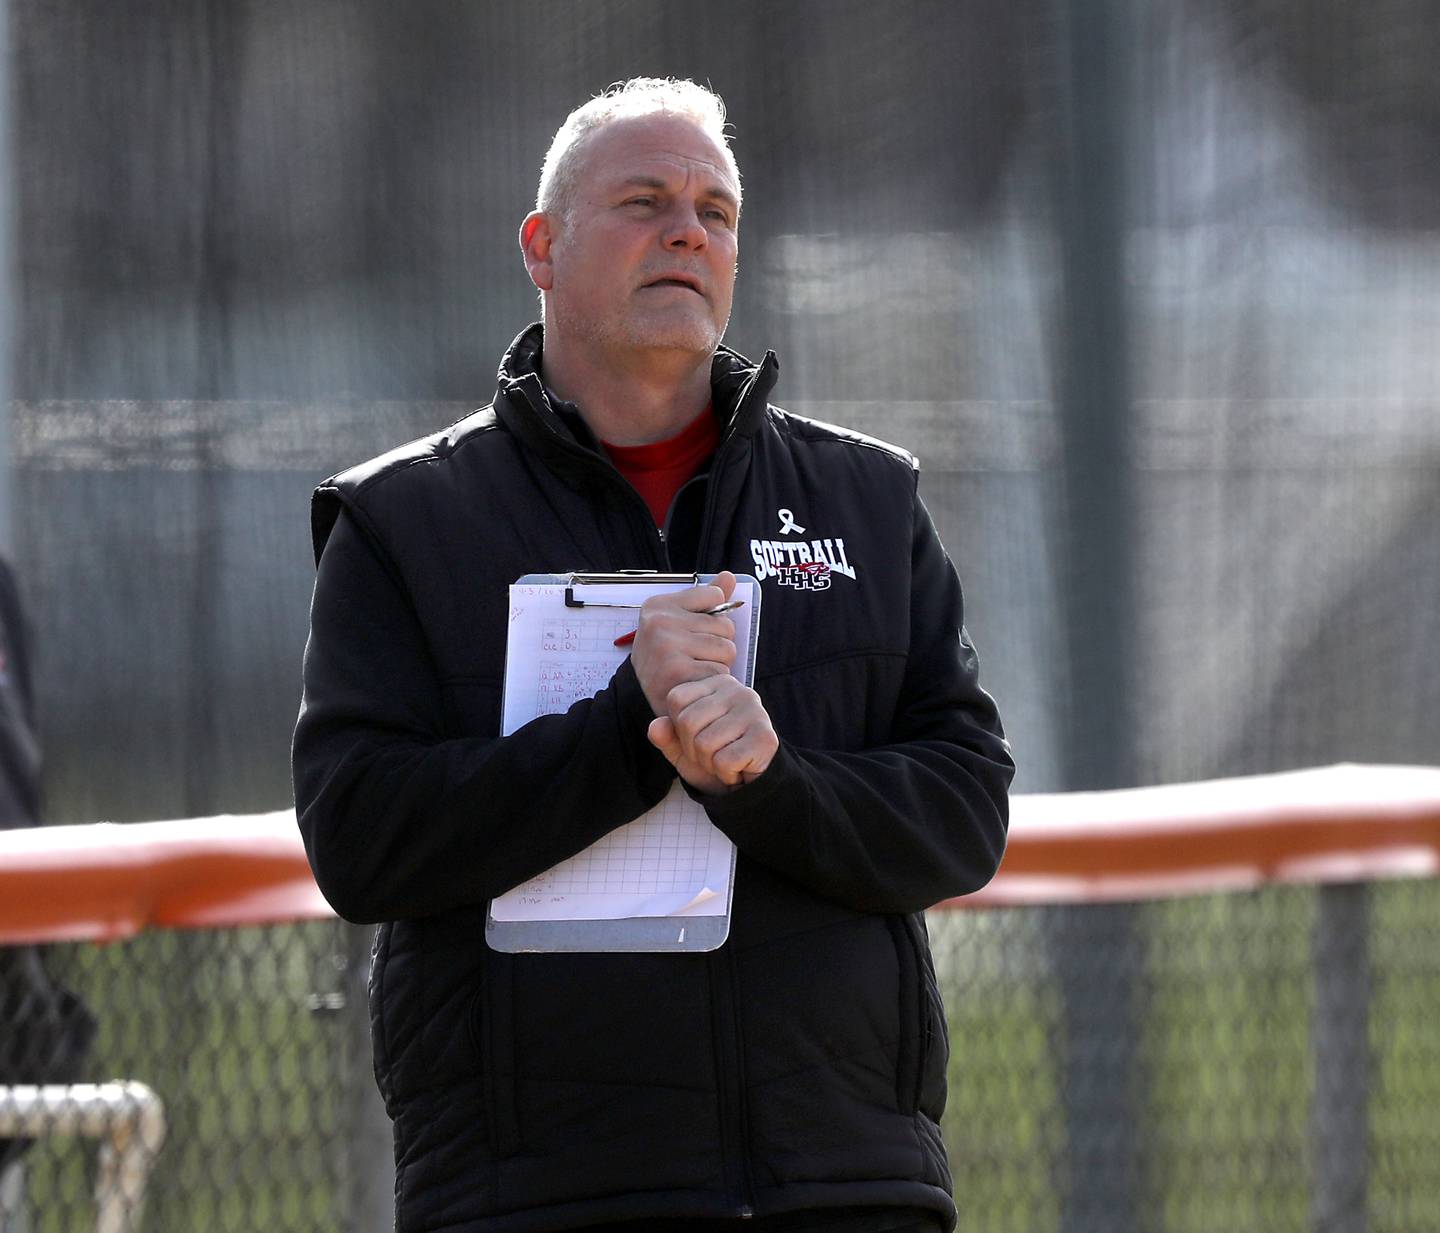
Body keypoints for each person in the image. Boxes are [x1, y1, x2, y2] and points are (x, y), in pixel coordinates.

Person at [293, 78, 1013, 1233]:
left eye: (715, 211)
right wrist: (626, 730)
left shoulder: (868, 499)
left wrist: (774, 786)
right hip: (538, 1194)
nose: (688, 229)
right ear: (542, 245)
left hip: (846, 1185)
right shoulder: (403, 523)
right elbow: (361, 840)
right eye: (644, 201)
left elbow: (966, 808)